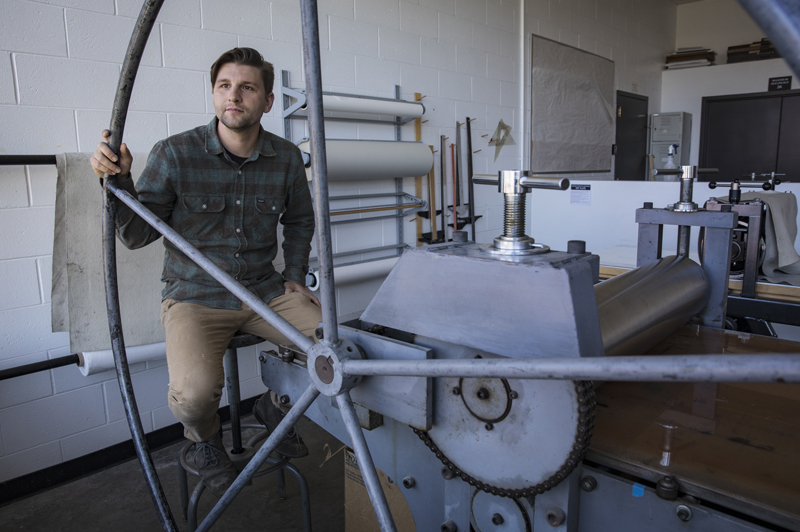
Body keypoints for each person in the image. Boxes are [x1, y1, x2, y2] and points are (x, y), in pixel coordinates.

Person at [91, 47, 322, 497]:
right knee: (194, 396)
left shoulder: (287, 157)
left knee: (331, 349)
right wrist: (117, 182)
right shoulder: (175, 154)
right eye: (224, 86)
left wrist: (294, 273)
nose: (233, 96)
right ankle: (204, 441)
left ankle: (276, 407)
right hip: (195, 295)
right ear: (214, 94)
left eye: (247, 87)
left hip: (264, 290)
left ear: (268, 101)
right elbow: (137, 236)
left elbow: (299, 218)